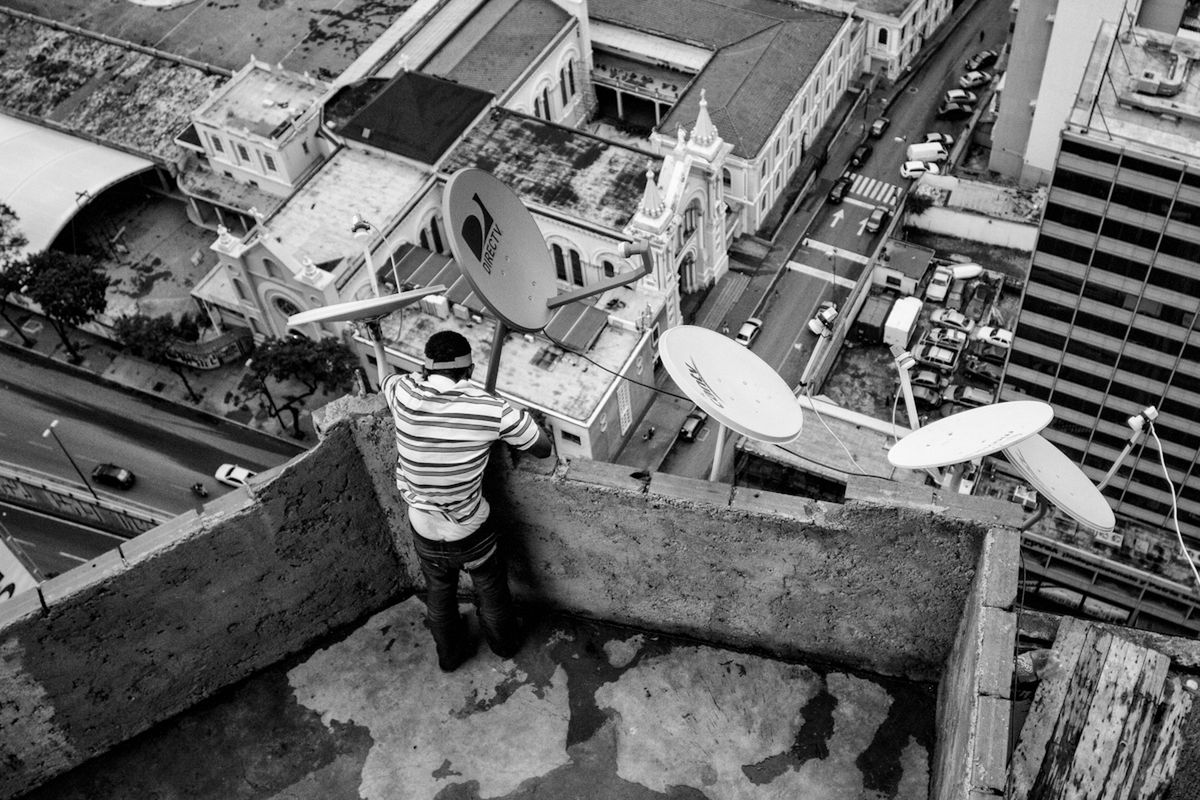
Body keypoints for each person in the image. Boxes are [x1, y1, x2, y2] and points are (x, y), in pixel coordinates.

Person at [381, 330, 552, 672]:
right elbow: (543, 447)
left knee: (439, 597)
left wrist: (377, 342)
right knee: (491, 593)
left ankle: (449, 656)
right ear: (470, 370)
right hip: (471, 530)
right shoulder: (489, 409)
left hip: (422, 526)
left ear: (425, 368)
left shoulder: (404, 393)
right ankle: (504, 647)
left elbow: (384, 378)